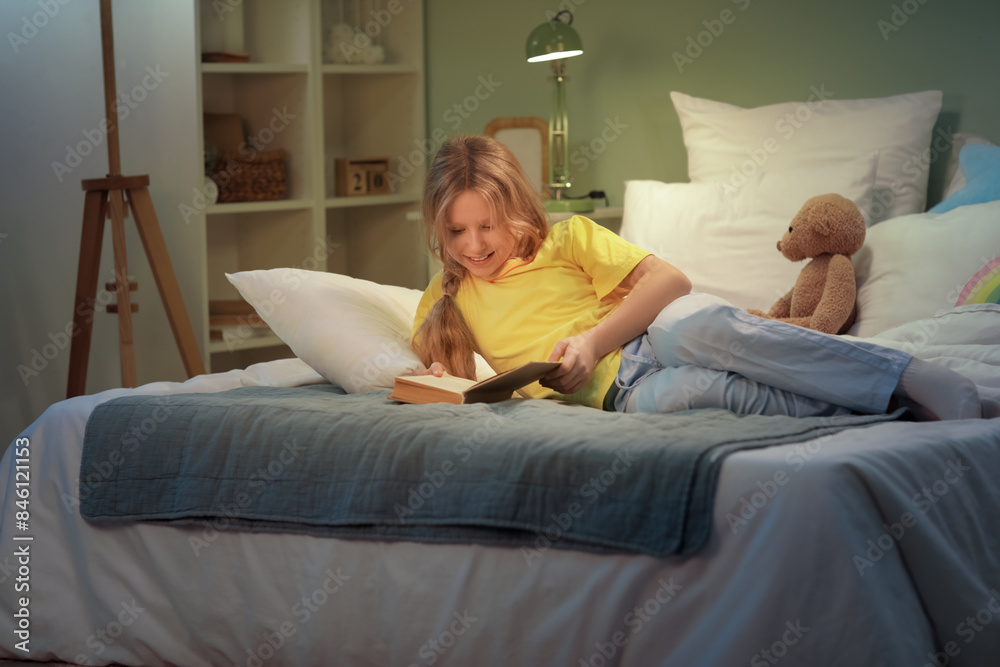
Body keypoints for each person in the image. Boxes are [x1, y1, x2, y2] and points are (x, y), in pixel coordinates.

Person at [411, 135, 983, 421]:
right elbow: (447, 378)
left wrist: (590, 342)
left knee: (702, 332)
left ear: (514, 211)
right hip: (622, 394)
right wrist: (436, 375)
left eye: (486, 226)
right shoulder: (445, 296)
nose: (475, 245)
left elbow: (671, 282)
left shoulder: (567, 238)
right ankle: (897, 410)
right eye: (456, 232)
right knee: (717, 394)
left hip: (654, 333)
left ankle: (908, 373)